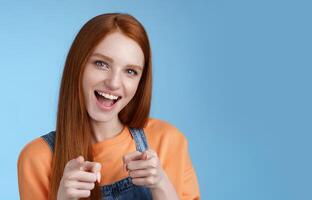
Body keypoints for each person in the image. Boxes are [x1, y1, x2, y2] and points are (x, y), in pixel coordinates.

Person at [17, 13, 200, 200]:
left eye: (130, 71)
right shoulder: (37, 158)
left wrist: (161, 186)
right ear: (78, 65)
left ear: (140, 82)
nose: (113, 83)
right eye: (101, 64)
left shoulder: (168, 140)